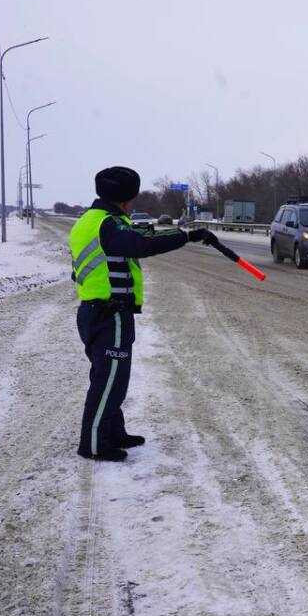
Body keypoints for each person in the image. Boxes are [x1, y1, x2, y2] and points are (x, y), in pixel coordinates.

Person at [69, 166, 218, 462]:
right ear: (126, 198)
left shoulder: (90, 220)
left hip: (94, 312)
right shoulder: (109, 225)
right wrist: (186, 238)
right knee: (109, 380)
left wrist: (187, 232)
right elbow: (143, 244)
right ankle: (94, 444)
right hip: (109, 313)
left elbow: (137, 234)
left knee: (110, 377)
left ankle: (114, 432)